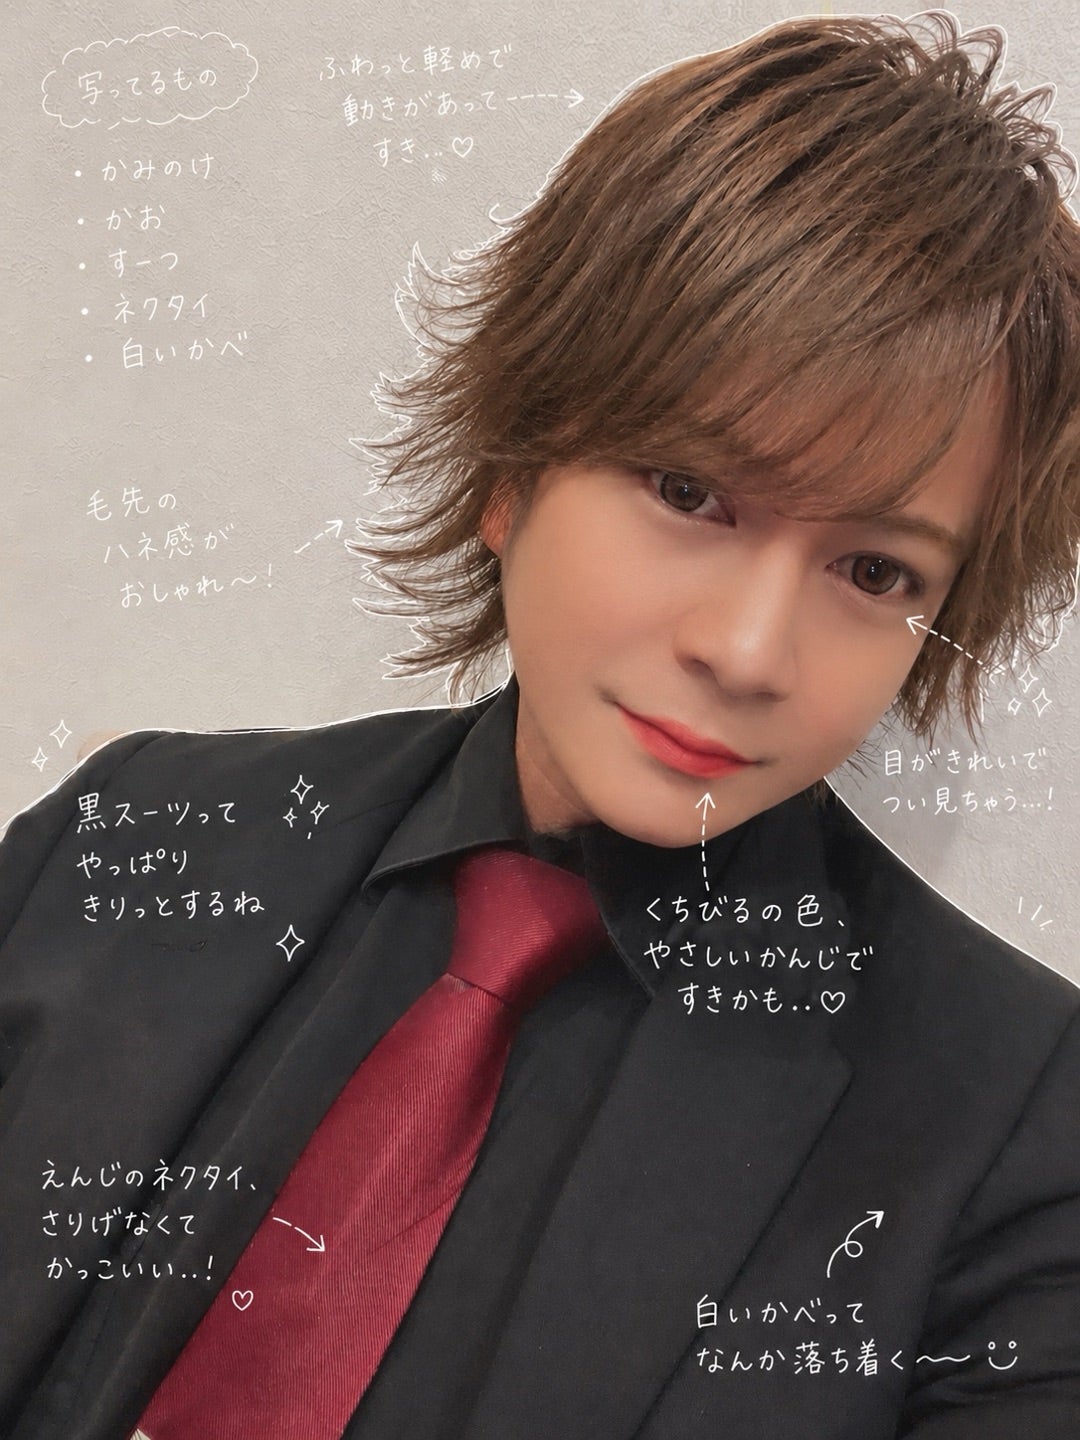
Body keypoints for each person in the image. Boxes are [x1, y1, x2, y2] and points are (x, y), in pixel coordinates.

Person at [2, 12, 1079, 1438]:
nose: (748, 650)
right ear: (513, 463)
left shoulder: (1022, 1127)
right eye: (689, 493)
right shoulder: (127, 835)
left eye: (876, 573)